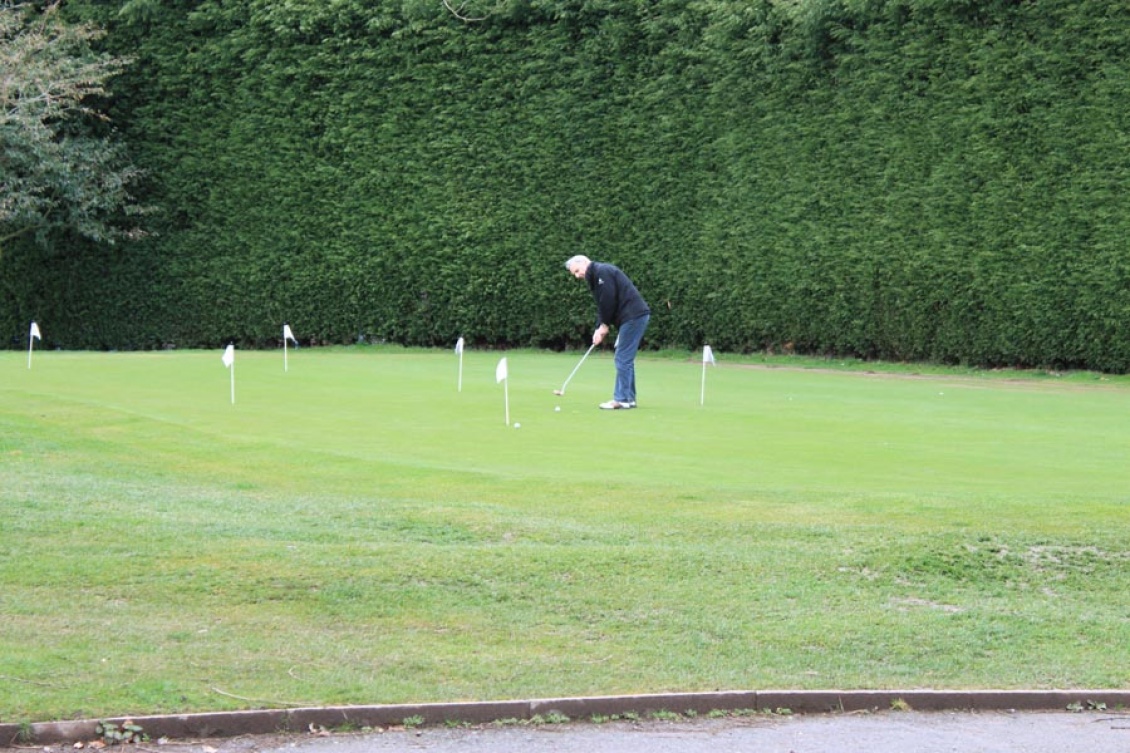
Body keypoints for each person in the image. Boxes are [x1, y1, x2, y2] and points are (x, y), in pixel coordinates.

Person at [565, 255, 651, 410]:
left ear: (584, 262)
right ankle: (629, 398)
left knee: (622, 357)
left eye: (577, 271)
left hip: (633, 316)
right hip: (632, 317)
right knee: (624, 357)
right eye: (575, 274)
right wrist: (599, 328)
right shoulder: (595, 276)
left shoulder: (602, 272)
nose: (578, 276)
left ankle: (622, 399)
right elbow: (602, 305)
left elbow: (608, 301)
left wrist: (604, 326)